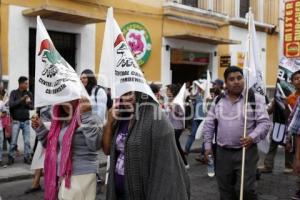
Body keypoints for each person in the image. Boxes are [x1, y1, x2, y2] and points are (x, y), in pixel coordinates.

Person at [102, 91, 190, 200]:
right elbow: (107, 150)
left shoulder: (155, 118)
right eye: (125, 94)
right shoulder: (120, 118)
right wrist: (109, 123)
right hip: (117, 190)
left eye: (132, 93)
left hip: (143, 191)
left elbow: (166, 163)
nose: (128, 98)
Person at [203, 66, 271, 200]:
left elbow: (264, 123)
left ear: (244, 80)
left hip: (246, 152)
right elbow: (209, 124)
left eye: (239, 78)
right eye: (231, 79)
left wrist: (252, 137)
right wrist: (207, 146)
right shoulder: (218, 100)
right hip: (222, 154)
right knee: (225, 191)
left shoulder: (254, 99)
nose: (236, 82)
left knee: (245, 190)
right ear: (226, 83)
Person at [32, 98, 102, 200]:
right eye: (62, 100)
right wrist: (40, 129)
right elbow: (52, 146)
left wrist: (87, 116)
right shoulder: (62, 120)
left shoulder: (90, 115)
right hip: (65, 175)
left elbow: (95, 145)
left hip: (82, 175)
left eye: (71, 99)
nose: (66, 104)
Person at [260, 70, 300, 174]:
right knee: (274, 142)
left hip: (294, 127)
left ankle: (290, 165)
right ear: (291, 82)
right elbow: (273, 110)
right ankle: (268, 165)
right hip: (281, 123)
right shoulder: (285, 97)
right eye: (296, 79)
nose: (298, 80)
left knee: (291, 146)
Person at [8, 76, 33, 165]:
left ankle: (27, 157)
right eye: (26, 83)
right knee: (13, 141)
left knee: (27, 141)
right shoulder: (14, 93)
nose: (27, 85)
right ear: (21, 84)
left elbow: (32, 107)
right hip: (16, 121)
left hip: (26, 121)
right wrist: (21, 100)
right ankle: (11, 157)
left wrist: (27, 103)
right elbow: (11, 105)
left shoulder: (29, 93)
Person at [166, 84, 189, 168]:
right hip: (171, 126)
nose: (167, 92)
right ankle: (178, 163)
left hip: (177, 127)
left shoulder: (177, 102)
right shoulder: (171, 100)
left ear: (173, 92)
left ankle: (185, 163)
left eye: (168, 90)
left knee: (176, 145)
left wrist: (174, 111)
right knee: (174, 144)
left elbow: (182, 114)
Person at [184, 81, 205, 159]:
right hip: (196, 118)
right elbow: (193, 106)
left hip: (205, 119)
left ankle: (202, 155)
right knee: (192, 134)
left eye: (200, 87)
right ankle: (186, 150)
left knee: (206, 137)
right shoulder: (196, 95)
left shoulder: (209, 96)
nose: (198, 88)